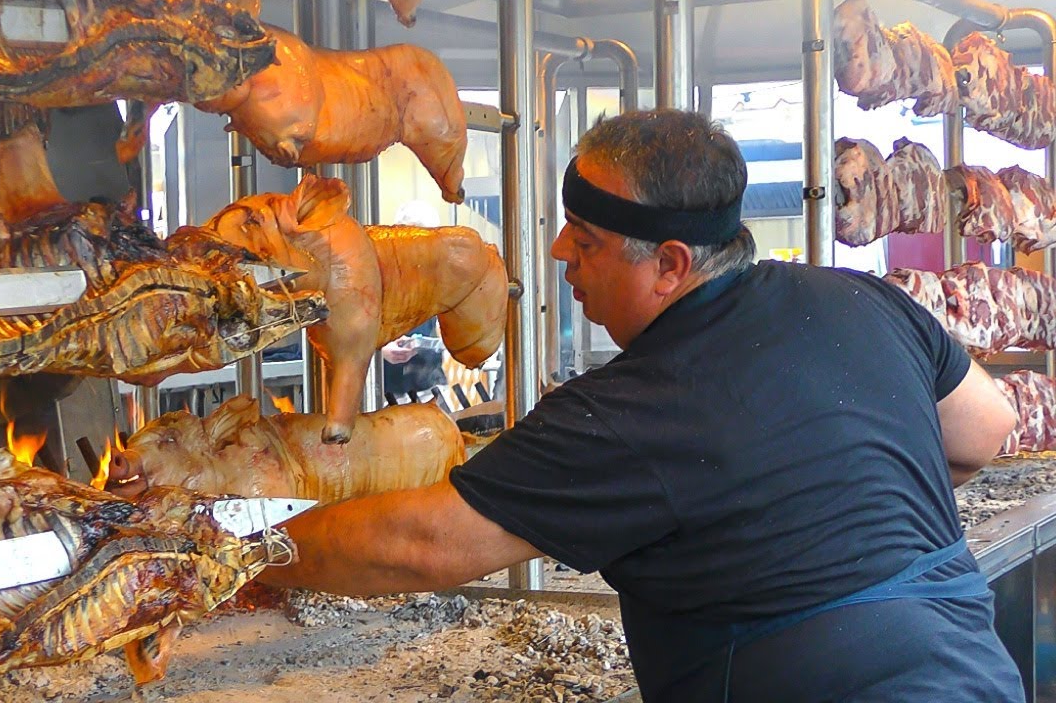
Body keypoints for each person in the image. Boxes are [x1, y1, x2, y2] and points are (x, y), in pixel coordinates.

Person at [258, 110, 1024, 702]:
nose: (558, 254)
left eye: (585, 241)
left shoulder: (635, 409)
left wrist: (247, 558)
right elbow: (986, 432)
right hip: (976, 674)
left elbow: (420, 544)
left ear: (670, 264)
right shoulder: (860, 298)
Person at [380, 200, 448, 401]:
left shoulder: (439, 277)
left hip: (430, 387)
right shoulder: (380, 276)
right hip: (387, 392)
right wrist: (381, 350)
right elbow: (357, 333)